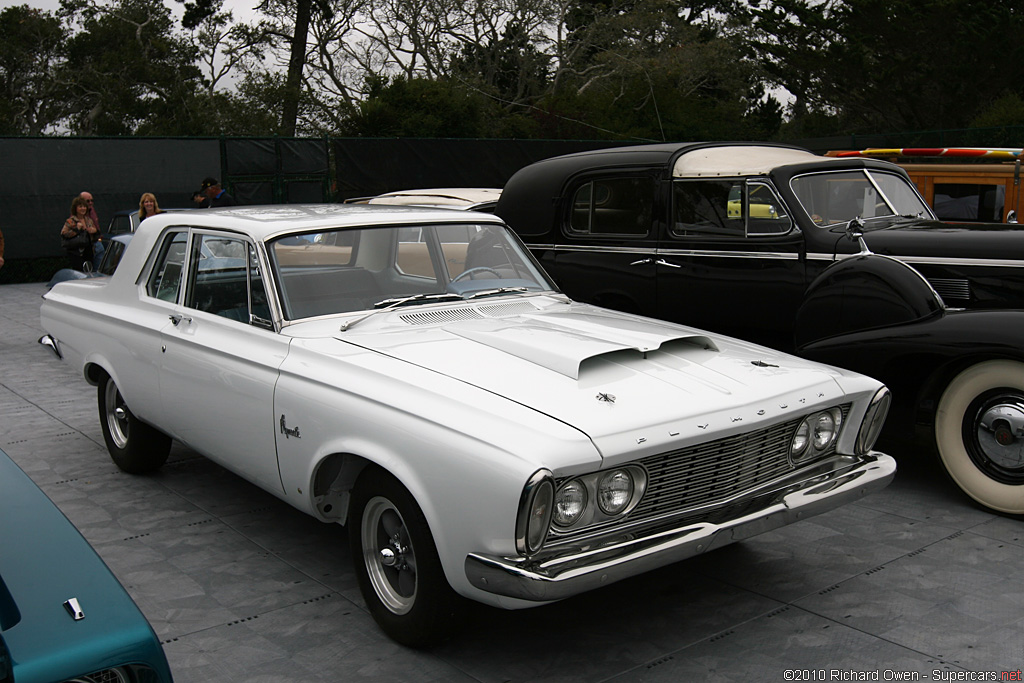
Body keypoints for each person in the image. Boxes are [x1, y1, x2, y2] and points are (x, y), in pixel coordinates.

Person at [61, 196, 97, 271]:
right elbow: (64, 233)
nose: (83, 208)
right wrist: (77, 229)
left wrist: (93, 230)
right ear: (75, 208)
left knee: (89, 269)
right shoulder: (71, 221)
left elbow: (95, 230)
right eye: (80, 207)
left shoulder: (89, 220)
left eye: (84, 206)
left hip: (89, 250)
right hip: (76, 252)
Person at [80, 191, 104, 269]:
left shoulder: (92, 210)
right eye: (88, 201)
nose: (90, 203)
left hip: (97, 242)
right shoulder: (78, 214)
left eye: (92, 201)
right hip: (87, 245)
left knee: (100, 267)